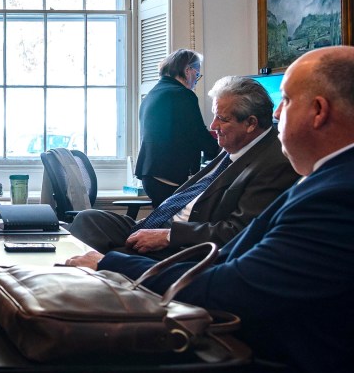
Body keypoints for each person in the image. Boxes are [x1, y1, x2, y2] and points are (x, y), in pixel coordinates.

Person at [66, 46, 354, 373]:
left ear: (319, 111)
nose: (276, 115)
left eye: (286, 101)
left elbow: (232, 288)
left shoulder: (336, 195)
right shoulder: (322, 181)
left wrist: (112, 264)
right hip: (262, 349)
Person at [69, 76, 299, 257]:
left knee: (107, 256)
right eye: (214, 116)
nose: (213, 125)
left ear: (251, 123)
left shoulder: (275, 162)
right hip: (162, 224)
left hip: (186, 246)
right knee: (88, 219)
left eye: (223, 119)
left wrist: (169, 236)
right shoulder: (235, 146)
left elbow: (238, 231)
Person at [135, 49, 220, 206]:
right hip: (167, 175)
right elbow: (198, 134)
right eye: (197, 75)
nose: (196, 81)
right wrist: (223, 152)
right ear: (188, 70)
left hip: (150, 174)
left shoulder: (152, 94)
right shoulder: (183, 95)